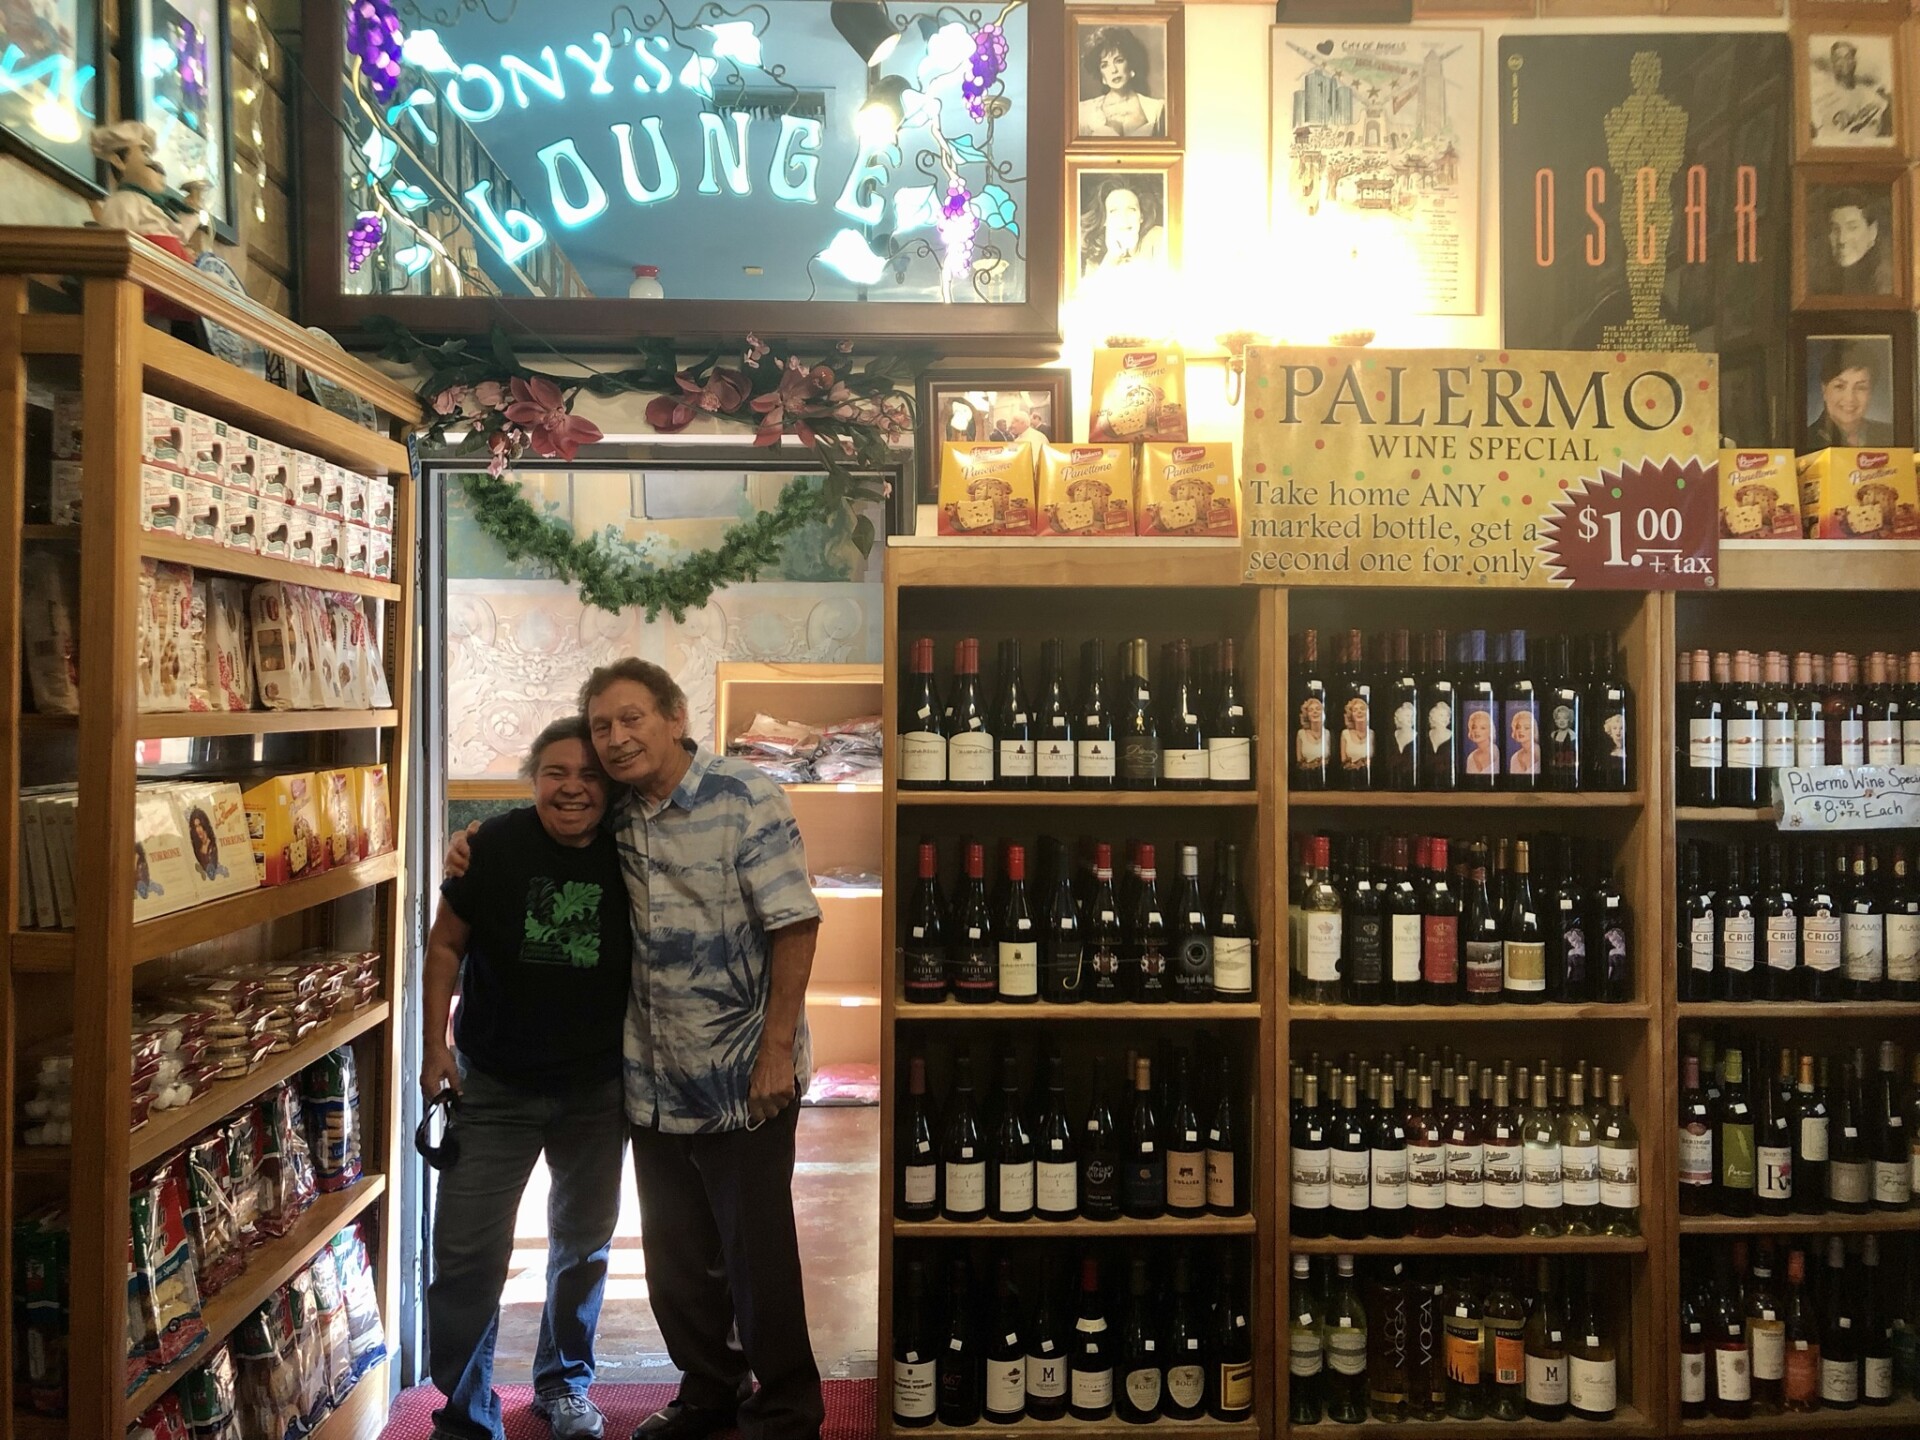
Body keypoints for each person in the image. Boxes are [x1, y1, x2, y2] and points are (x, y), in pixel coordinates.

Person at [449, 659, 825, 1440]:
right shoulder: (617, 811)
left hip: (744, 1079)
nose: (616, 741)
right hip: (649, 1083)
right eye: (602, 726)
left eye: (631, 720)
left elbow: (795, 922)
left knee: (757, 1264)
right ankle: (708, 1394)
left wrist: (777, 1050)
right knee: (678, 1267)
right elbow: (550, 824)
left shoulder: (744, 795)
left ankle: (786, 1412)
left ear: (676, 716)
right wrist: (472, 842)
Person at [423, 716, 633, 1440]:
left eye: (589, 776)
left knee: (583, 1247)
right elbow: (445, 946)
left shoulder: (634, 848)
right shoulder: (493, 846)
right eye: (555, 772)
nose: (572, 788)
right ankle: (464, 1410)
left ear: (610, 789)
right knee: (465, 1253)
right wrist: (435, 1048)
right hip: (494, 1085)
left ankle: (564, 1385)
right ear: (534, 778)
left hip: (598, 1091)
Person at [1077, 26, 1166, 139]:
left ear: (1131, 66)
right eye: (1104, 65)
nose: (1113, 70)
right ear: (1101, 74)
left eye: (1119, 61)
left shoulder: (1156, 109)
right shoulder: (1084, 111)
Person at [1805, 342, 1896, 449]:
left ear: (1870, 392)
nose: (1850, 398)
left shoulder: (1889, 435)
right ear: (1824, 390)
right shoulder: (1806, 440)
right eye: (1839, 386)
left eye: (1861, 388)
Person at [1809, 39, 1894, 147]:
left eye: (1849, 57)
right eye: (1839, 58)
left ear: (1854, 62)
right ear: (1833, 63)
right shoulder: (1819, 95)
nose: (1845, 62)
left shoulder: (1871, 97)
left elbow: (1875, 133)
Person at [1810, 192, 1893, 297]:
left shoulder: (1883, 281)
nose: (1841, 239)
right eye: (1835, 229)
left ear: (1872, 232)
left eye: (1852, 227)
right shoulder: (1823, 281)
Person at [1080, 179, 1166, 276]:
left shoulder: (1157, 237)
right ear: (1104, 220)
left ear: (1141, 216)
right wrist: (1112, 257)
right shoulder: (1094, 264)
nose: (1123, 217)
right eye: (1114, 211)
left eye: (1131, 209)